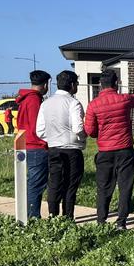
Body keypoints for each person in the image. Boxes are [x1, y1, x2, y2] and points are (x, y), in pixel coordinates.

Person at [84, 69, 134, 229]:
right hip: (125, 150)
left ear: (101, 85)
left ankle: (101, 222)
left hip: (105, 152)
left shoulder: (93, 105)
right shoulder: (124, 99)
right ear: (116, 83)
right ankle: (121, 222)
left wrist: (99, 133)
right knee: (125, 187)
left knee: (103, 188)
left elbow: (90, 131)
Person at [36, 71, 85, 219]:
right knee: (70, 185)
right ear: (71, 85)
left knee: (54, 183)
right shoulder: (73, 103)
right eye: (76, 83)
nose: (76, 86)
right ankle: (68, 216)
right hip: (72, 150)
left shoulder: (46, 103)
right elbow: (78, 128)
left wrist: (53, 138)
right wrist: (81, 137)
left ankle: (52, 215)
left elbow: (40, 131)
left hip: (54, 148)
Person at [16, 70, 50, 219]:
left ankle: (31, 214)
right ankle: (33, 216)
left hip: (26, 144)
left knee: (33, 182)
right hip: (36, 146)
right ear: (44, 85)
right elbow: (38, 126)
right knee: (36, 184)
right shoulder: (34, 100)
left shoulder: (25, 98)